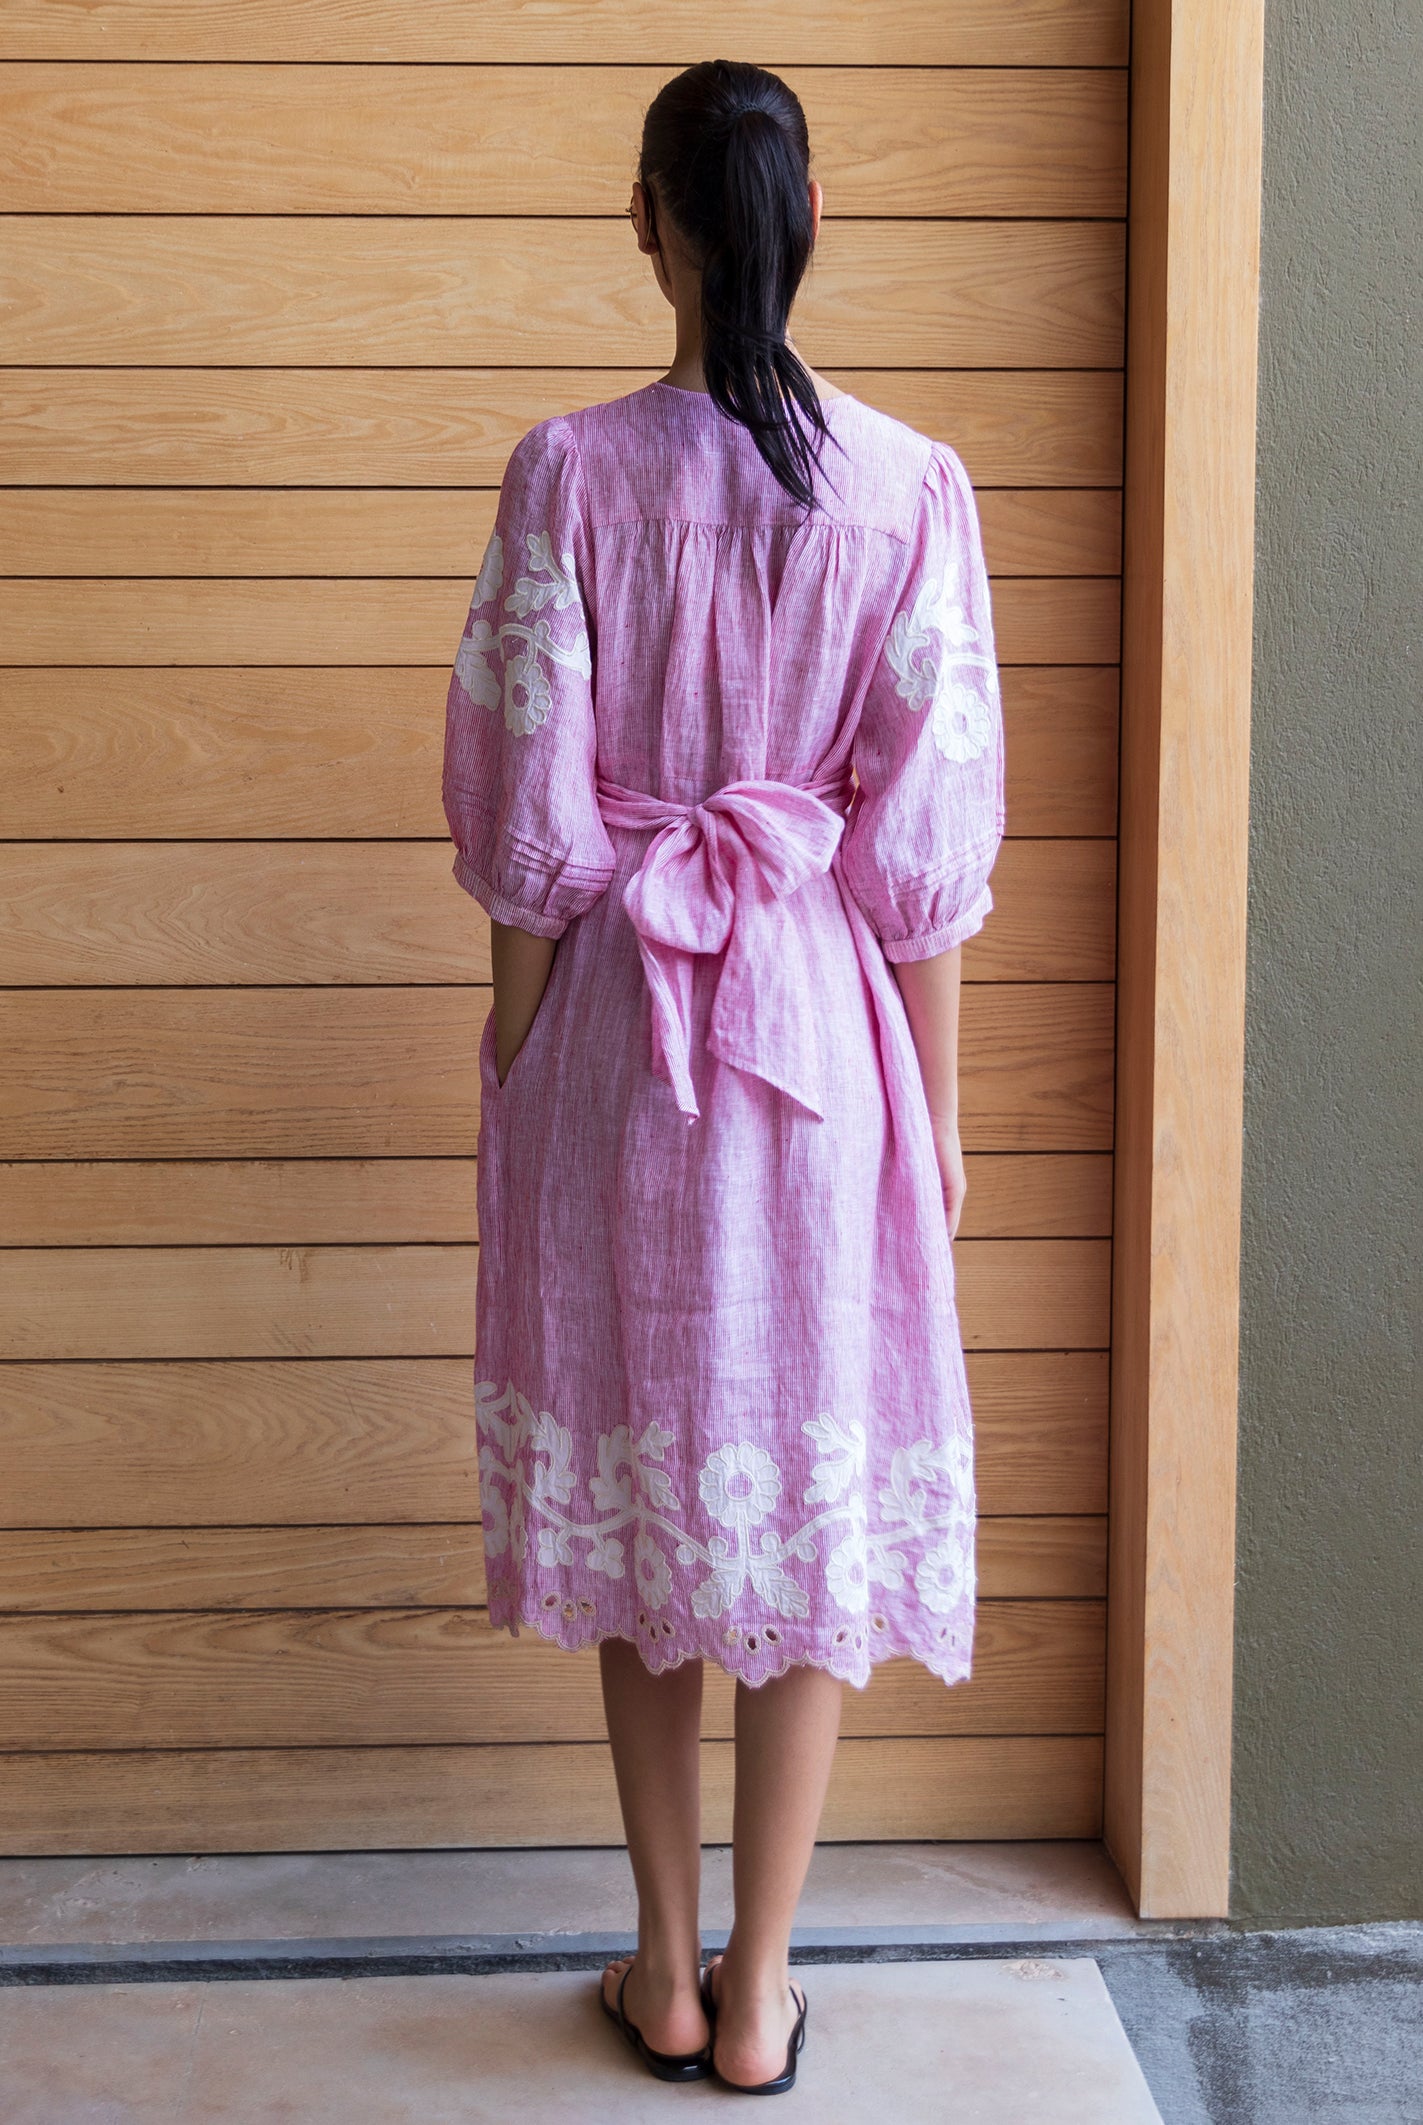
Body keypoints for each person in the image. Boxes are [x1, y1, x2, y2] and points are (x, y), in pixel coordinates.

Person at [441, 57, 1006, 2098]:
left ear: (646, 222)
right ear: (815, 214)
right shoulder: (910, 485)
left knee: (651, 1470)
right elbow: (924, 857)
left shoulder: (565, 475)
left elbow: (524, 814)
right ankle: (763, 1987)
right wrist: (931, 1114)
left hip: (624, 1021)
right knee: (807, 1495)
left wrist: (515, 1048)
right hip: (825, 1038)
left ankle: (663, 1965)